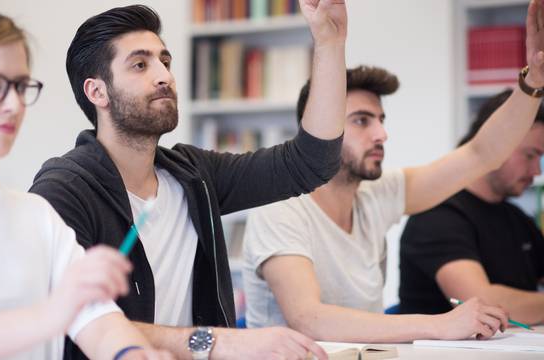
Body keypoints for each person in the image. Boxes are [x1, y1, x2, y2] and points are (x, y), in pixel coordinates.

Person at [30, 1, 346, 359]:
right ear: (97, 92)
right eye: (140, 64)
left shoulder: (194, 175)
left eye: (165, 61)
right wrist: (217, 342)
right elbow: (74, 317)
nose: (163, 75)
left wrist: (329, 42)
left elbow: (311, 163)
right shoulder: (64, 190)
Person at [242, 0, 544, 343]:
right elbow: (309, 319)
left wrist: (533, 81)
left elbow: (481, 153)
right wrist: (440, 324)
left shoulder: (376, 193)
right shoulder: (280, 206)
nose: (380, 134)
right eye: (361, 121)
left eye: (381, 121)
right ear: (317, 125)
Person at [0, 8, 171, 360]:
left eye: (20, 86)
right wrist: (48, 316)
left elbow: (96, 316)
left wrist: (131, 352)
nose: (14, 105)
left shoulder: (35, 213)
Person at [399, 89, 544, 325]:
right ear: (497, 142)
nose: (537, 171)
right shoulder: (437, 215)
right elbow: (483, 303)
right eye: (530, 155)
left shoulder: (517, 218)